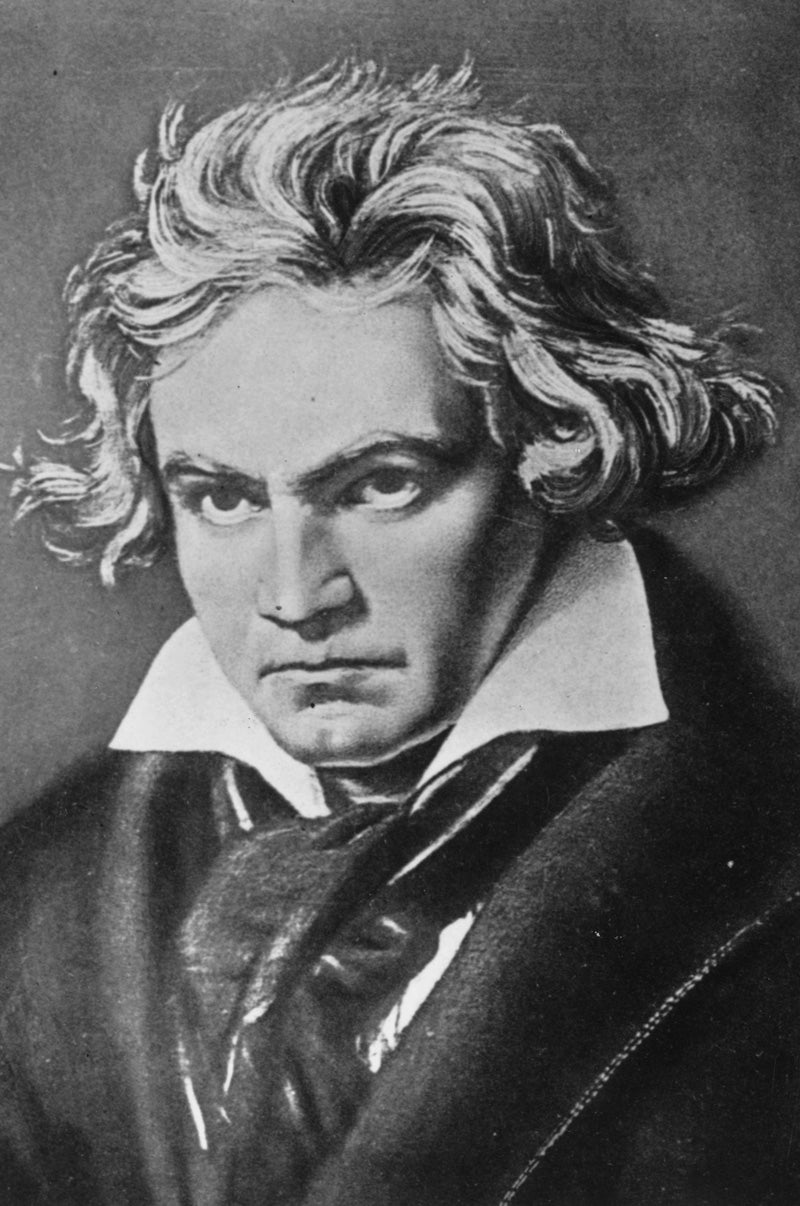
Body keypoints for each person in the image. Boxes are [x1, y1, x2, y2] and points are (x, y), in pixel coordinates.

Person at [2, 59, 799, 1206]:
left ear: (554, 446)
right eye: (221, 497)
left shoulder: (762, 847)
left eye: (380, 484)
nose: (295, 595)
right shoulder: (38, 892)